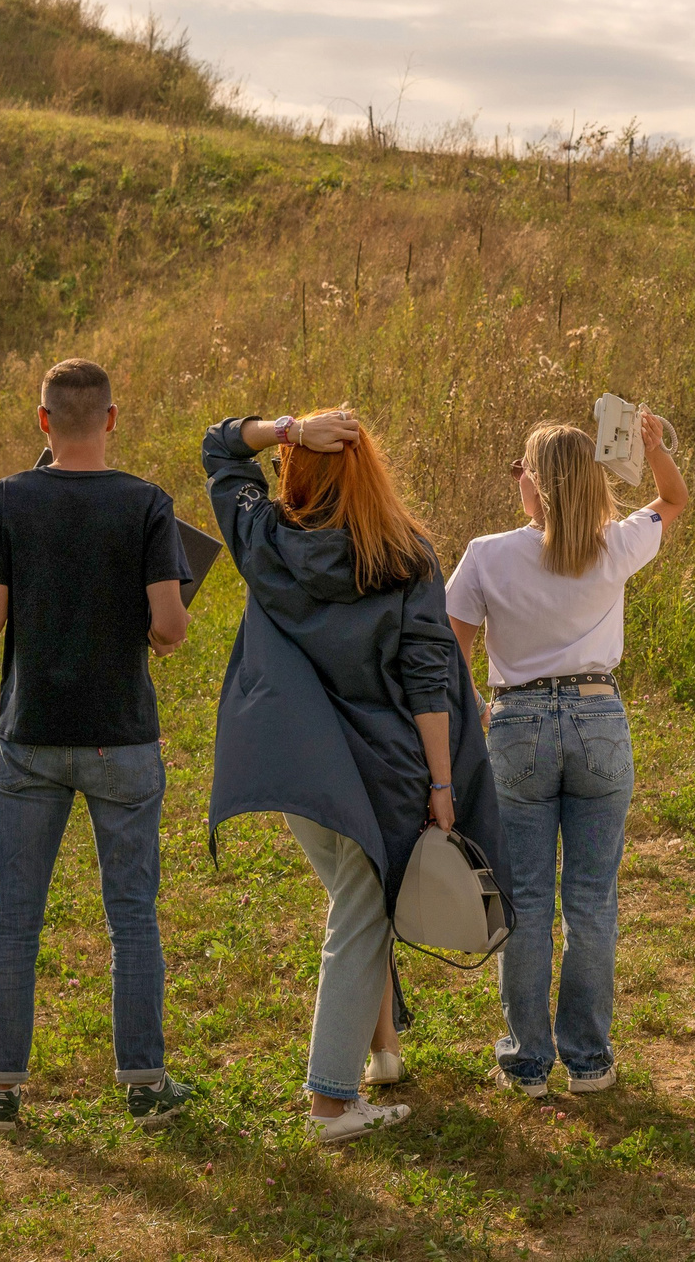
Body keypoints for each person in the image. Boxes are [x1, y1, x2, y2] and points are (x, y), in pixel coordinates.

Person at [203, 406, 508, 1144]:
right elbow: (429, 679)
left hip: (299, 767)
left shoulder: (265, 538)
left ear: (297, 467)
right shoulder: (404, 556)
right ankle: (332, 1102)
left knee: (355, 903)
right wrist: (443, 786)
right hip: (383, 767)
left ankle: (382, 1051)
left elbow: (219, 448)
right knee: (361, 914)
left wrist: (286, 430)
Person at [0, 359, 194, 1135]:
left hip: (30, 735)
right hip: (120, 737)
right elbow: (169, 624)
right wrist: (159, 629)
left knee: (14, 917)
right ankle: (144, 1082)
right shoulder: (147, 503)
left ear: (43, 421)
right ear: (112, 419)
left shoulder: (7, 498)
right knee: (132, 916)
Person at [446, 415, 687, 1097]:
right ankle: (588, 1058)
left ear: (536, 483)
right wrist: (654, 448)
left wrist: (477, 706)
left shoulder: (486, 555)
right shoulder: (616, 544)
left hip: (517, 721)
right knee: (592, 898)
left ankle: (527, 1060)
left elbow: (448, 646)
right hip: (598, 716)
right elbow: (674, 500)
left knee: (525, 896)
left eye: (521, 470)